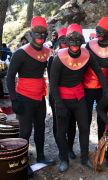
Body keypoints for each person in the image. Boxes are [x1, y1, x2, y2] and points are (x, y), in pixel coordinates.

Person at [50, 24, 106, 172]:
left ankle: (84, 157)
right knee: (62, 131)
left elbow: (99, 72)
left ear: (82, 41)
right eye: (71, 40)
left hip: (79, 97)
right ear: (67, 41)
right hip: (63, 98)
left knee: (84, 127)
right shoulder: (58, 58)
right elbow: (53, 84)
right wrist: (58, 103)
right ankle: (63, 159)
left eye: (78, 40)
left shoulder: (87, 54)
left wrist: (106, 91)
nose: (75, 44)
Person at [6, 16, 55, 177]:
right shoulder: (20, 53)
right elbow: (10, 76)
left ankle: (40, 156)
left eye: (44, 34)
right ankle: (23, 162)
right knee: (25, 131)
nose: (41, 36)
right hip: (24, 97)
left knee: (40, 128)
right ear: (31, 33)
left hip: (40, 97)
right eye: (37, 33)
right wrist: (14, 99)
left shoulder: (47, 52)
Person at [84, 17, 108, 140]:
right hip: (87, 87)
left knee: (102, 117)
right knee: (86, 117)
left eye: (101, 32)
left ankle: (101, 143)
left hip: (104, 89)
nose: (98, 34)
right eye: (97, 31)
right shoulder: (89, 45)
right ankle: (85, 145)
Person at [47, 27, 77, 159]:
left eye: (67, 39)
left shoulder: (77, 57)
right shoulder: (53, 58)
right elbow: (52, 80)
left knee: (72, 122)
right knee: (58, 123)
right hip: (56, 95)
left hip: (72, 96)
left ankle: (70, 148)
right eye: (62, 39)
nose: (64, 42)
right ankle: (62, 149)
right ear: (58, 41)